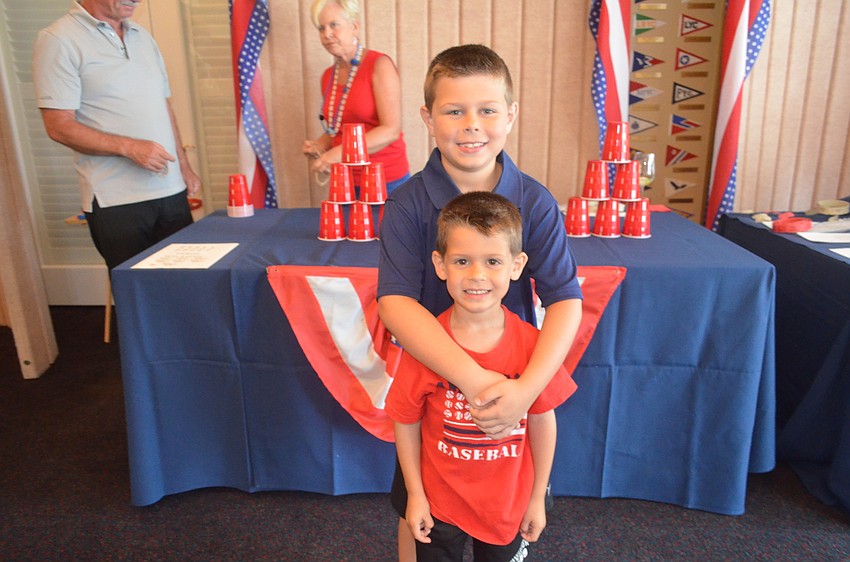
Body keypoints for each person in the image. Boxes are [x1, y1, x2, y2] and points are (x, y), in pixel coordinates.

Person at [377, 44, 583, 561]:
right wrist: (475, 381)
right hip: (435, 388)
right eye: (454, 110)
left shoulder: (534, 201)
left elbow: (565, 300)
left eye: (488, 110)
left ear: (510, 116)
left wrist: (524, 392)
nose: (472, 124)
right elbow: (396, 304)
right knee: (418, 515)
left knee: (509, 520)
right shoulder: (405, 204)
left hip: (512, 395)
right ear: (427, 118)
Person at [386, 191, 576, 561]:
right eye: (462, 261)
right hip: (439, 505)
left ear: (516, 265)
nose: (477, 275)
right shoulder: (425, 345)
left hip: (508, 505)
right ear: (440, 265)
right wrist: (416, 495)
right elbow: (404, 420)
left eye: (492, 261)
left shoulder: (533, 345)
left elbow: (542, 420)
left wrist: (538, 498)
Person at [32, 0, 201, 271]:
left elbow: (163, 108)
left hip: (171, 192)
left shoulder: (143, 37)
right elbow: (58, 126)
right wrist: (129, 147)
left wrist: (184, 168)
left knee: (184, 288)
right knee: (137, 298)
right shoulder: (58, 39)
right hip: (116, 200)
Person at [303, 0, 410, 193]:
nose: (327, 34)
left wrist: (337, 153)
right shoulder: (328, 76)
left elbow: (391, 130)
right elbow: (337, 128)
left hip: (385, 179)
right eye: (321, 28)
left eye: (334, 25)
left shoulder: (379, 64)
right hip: (345, 179)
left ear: (354, 26)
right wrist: (321, 145)